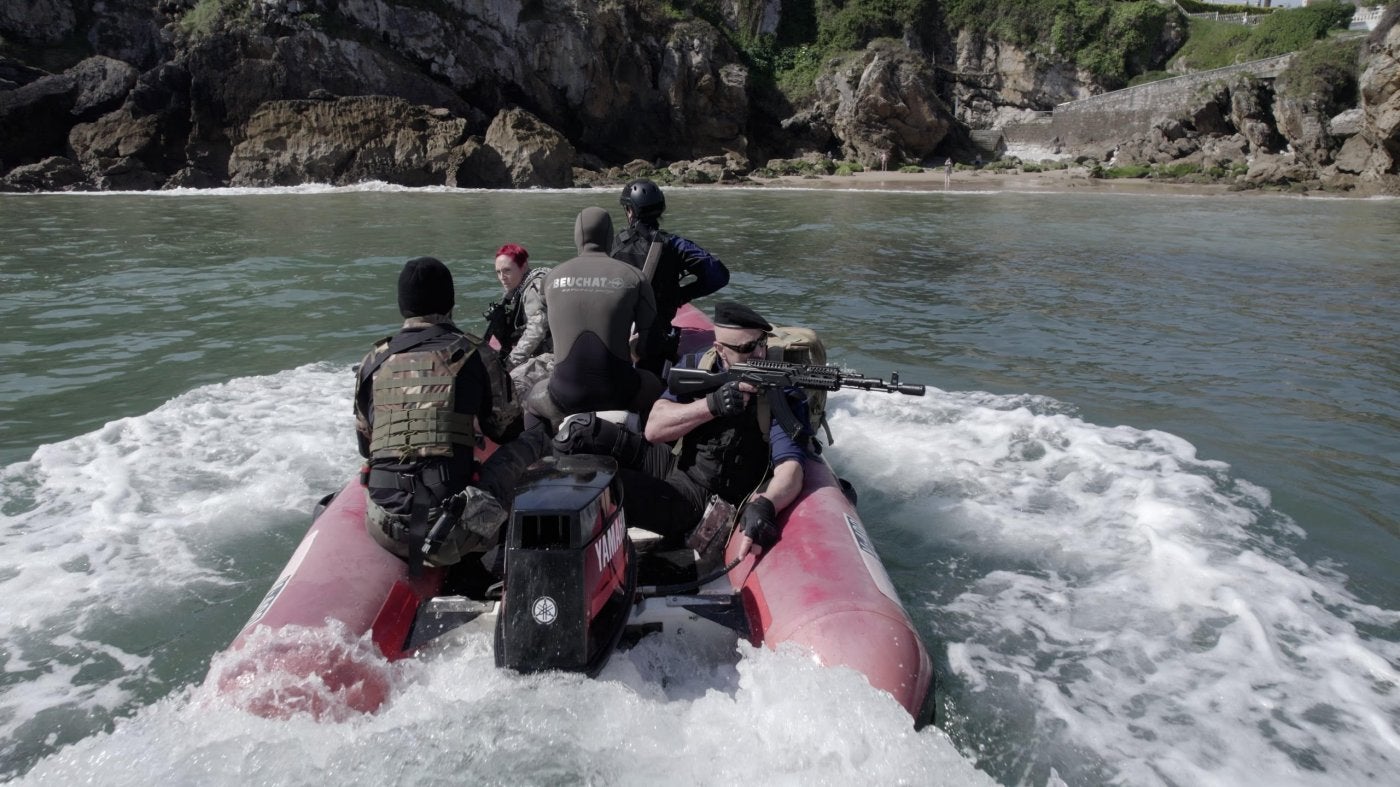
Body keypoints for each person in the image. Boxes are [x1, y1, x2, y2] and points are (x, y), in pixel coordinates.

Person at [554, 301, 813, 559]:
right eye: (746, 348)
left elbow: (791, 467)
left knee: (606, 489)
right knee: (578, 433)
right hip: (676, 465)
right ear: (720, 350)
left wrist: (766, 504)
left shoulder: (780, 390)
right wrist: (711, 405)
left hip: (704, 499)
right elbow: (654, 431)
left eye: (761, 342)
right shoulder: (700, 365)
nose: (758, 354)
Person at [354, 256, 545, 569]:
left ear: (403, 306)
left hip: (383, 527)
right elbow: (507, 429)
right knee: (535, 439)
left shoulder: (372, 360)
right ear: (450, 303)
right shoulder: (474, 352)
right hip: (449, 530)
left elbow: (366, 445)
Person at [527, 207, 662, 428]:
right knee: (655, 386)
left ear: (577, 237)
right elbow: (649, 346)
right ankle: (650, 456)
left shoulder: (551, 278)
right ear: (609, 236)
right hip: (620, 393)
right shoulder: (634, 277)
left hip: (564, 396)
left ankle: (537, 455)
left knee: (533, 401)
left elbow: (547, 329)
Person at [611, 178, 729, 375]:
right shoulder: (674, 245)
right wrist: (682, 295)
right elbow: (719, 275)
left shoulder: (613, 244)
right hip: (657, 342)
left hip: (617, 336)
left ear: (630, 211)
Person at [484, 242, 552, 399]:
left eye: (507, 270)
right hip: (538, 352)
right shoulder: (516, 290)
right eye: (498, 272)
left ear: (523, 266)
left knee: (509, 384)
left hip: (552, 356)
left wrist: (509, 365)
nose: (502, 277)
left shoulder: (534, 287)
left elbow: (535, 331)